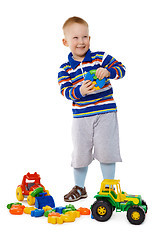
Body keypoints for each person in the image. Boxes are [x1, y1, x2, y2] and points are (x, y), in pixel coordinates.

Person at [58, 16, 126, 202]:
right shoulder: (65, 69)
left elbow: (122, 69)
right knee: (80, 153)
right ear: (65, 42)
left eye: (85, 37)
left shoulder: (100, 58)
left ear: (90, 38)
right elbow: (65, 91)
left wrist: (109, 72)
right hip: (81, 117)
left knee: (107, 151)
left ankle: (109, 188)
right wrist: (79, 90)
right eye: (76, 38)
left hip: (106, 114)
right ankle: (80, 188)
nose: (81, 42)